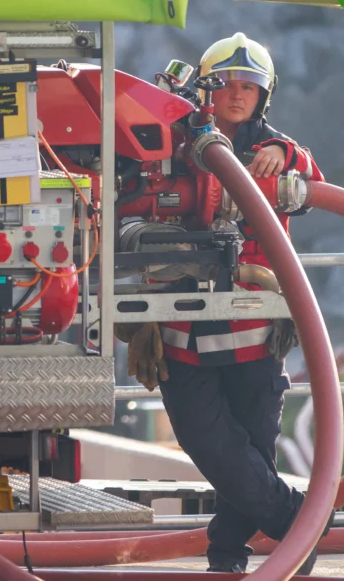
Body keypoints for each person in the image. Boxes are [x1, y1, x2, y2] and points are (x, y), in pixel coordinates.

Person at [121, 32, 330, 574]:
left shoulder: (279, 152)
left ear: (266, 95)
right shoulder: (170, 143)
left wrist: (284, 155)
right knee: (209, 443)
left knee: (253, 450)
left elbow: (314, 181)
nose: (238, 94)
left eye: (250, 85)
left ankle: (227, 557)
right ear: (204, 90)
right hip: (179, 328)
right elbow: (131, 192)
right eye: (226, 85)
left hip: (255, 333)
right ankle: (295, 526)